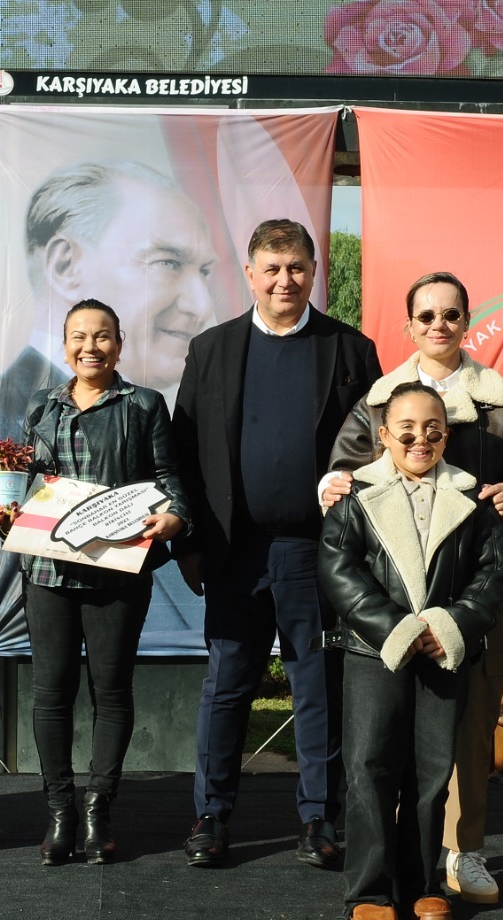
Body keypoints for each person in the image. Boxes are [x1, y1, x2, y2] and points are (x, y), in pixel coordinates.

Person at [320, 272, 503, 903]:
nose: (439, 325)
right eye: (426, 315)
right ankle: (386, 874)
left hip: (471, 590)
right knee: (377, 746)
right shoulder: (375, 398)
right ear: (408, 325)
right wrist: (330, 488)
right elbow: (344, 478)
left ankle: (466, 851)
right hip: (390, 599)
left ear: (467, 320)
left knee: (470, 725)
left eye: (451, 314)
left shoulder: (502, 398)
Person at [170, 217, 382, 868]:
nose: (285, 279)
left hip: (316, 553)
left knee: (317, 688)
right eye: (272, 267)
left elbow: (375, 453)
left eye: (296, 267)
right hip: (234, 553)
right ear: (250, 275)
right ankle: (212, 816)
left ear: (314, 272)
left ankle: (319, 821)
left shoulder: (350, 350)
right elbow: (182, 450)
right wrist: (191, 546)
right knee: (227, 686)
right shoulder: (210, 350)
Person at [0, 299, 189, 865]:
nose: (91, 347)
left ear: (120, 345)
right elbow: (24, 477)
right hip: (47, 571)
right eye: (79, 336)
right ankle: (59, 811)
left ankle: (98, 810)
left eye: (103, 336)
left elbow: (169, 478)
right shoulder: (40, 406)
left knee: (112, 692)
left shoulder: (144, 405)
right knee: (51, 693)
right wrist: (7, 506)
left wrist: (175, 516)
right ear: (64, 345)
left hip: (117, 567)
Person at [318, 383, 503, 920]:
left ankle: (423, 883)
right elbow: (339, 573)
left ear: (447, 435)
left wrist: (445, 626)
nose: (419, 438)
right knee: (370, 768)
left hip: (444, 655)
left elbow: (495, 573)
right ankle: (372, 890)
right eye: (406, 427)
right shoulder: (354, 498)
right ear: (383, 435)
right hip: (374, 654)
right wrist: (399, 628)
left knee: (432, 774)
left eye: (433, 428)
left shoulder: (474, 500)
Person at [0, 160, 218, 444]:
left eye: (205, 271)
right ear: (66, 266)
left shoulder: (147, 408)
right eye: (168, 262)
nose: (203, 305)